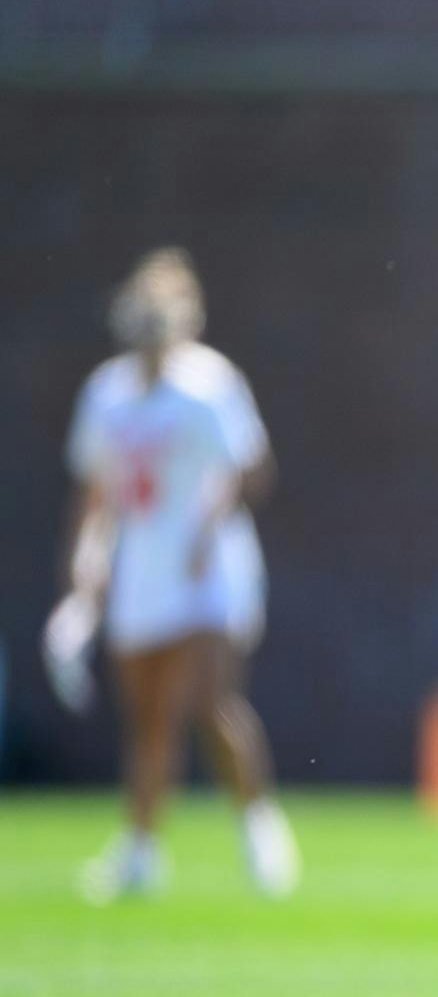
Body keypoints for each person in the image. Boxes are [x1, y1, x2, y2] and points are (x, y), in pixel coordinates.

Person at [58, 247, 300, 902]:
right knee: (149, 715)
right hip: (143, 568)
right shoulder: (106, 393)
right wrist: (86, 563)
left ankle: (258, 824)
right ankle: (140, 847)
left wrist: (203, 524)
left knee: (208, 701)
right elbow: (94, 488)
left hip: (209, 567)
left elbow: (249, 467)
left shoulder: (209, 384)